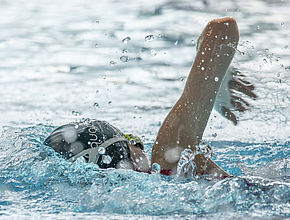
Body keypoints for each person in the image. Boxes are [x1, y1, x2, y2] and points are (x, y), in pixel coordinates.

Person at [44, 17, 256, 178]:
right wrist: (217, 88)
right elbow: (222, 29)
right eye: (131, 140)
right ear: (128, 158)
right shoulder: (168, 159)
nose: (140, 143)